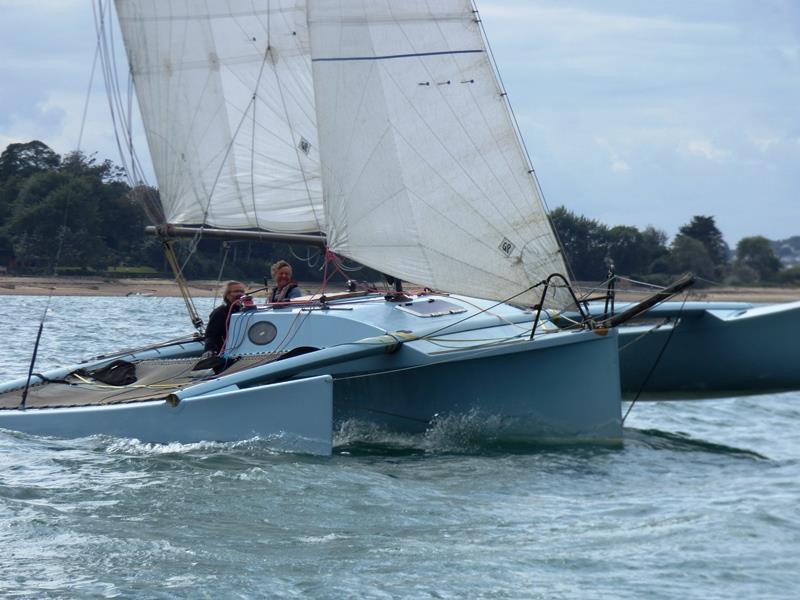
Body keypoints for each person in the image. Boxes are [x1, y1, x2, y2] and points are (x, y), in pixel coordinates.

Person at [203, 280, 246, 356]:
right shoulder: (220, 312)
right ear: (227, 295)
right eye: (236, 291)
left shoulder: (247, 311)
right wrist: (209, 350)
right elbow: (210, 335)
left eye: (242, 292)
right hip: (226, 351)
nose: (240, 294)